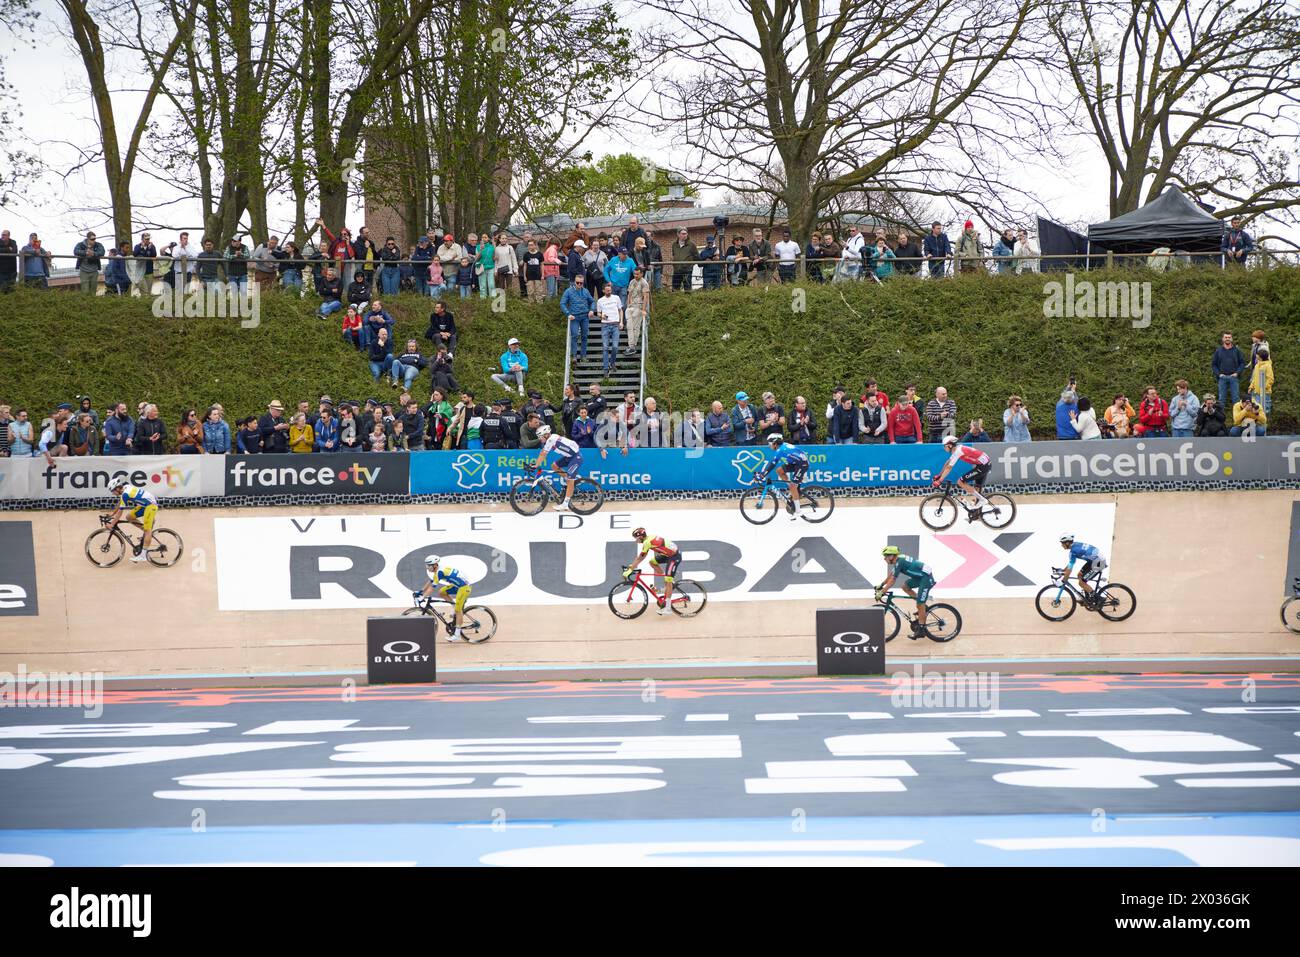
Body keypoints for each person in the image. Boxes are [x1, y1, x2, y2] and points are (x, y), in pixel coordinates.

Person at [413, 555, 480, 643]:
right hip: (458, 585)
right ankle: (454, 607)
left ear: (435, 565)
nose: (427, 568)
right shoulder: (438, 570)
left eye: (429, 566)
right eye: (427, 565)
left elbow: (432, 588)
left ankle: (457, 635)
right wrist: (421, 591)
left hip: (464, 587)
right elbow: (431, 581)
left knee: (458, 610)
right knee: (442, 592)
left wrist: (422, 597)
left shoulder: (439, 572)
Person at [877, 546, 937, 639]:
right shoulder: (899, 560)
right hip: (920, 577)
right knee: (905, 587)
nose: (884, 559)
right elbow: (891, 575)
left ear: (892, 556)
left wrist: (882, 592)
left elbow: (892, 580)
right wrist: (881, 585)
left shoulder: (900, 561)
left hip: (926, 579)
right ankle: (923, 608)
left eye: (885, 556)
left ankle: (921, 630)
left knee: (919, 603)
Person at [625, 527, 682, 616]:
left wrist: (631, 568)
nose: (636, 540)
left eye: (636, 538)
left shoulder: (647, 542)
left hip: (674, 557)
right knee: (652, 562)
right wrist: (632, 566)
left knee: (668, 580)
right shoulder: (649, 538)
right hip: (668, 554)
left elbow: (641, 557)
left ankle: (668, 608)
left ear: (640, 537)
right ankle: (668, 579)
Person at [530, 423, 584, 512]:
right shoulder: (552, 437)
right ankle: (568, 479)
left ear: (546, 435)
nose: (539, 439)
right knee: (554, 466)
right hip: (570, 456)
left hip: (576, 457)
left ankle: (565, 504)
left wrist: (536, 465)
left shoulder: (551, 439)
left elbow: (543, 454)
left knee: (570, 480)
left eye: (541, 436)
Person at [756, 433, 810, 519]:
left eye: (769, 444)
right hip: (796, 463)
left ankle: (798, 511)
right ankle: (792, 488)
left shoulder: (780, 450)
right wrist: (763, 474)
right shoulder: (782, 447)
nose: (769, 446)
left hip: (802, 464)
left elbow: (772, 464)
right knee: (779, 470)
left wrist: (762, 475)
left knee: (793, 486)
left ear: (775, 443)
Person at [106, 476, 160, 563]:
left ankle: (143, 556)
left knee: (147, 530)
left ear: (117, 488)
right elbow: (120, 503)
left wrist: (112, 524)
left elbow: (120, 512)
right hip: (145, 505)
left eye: (113, 491)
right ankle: (146, 535)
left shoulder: (125, 494)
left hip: (150, 506)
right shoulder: (126, 488)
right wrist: (112, 513)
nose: (113, 493)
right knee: (129, 517)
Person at [931, 434, 992, 508]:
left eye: (945, 446)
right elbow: (947, 463)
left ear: (950, 445)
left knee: (960, 482)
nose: (944, 448)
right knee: (977, 488)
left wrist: (940, 481)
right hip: (984, 464)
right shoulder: (956, 449)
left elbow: (949, 468)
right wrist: (939, 475)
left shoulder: (958, 451)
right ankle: (977, 514)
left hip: (984, 465)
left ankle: (982, 500)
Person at [1058, 533, 1107, 604]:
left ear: (1067, 542)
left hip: (1099, 562)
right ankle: (1086, 599)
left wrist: (1064, 579)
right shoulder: (1074, 546)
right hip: (1094, 560)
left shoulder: (1073, 551)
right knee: (1079, 575)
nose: (1061, 545)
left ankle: (1099, 599)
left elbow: (1070, 568)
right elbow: (1070, 564)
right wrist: (1063, 570)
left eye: (1062, 543)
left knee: (1081, 583)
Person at [1212, 332, 1246, 409]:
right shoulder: (1218, 351)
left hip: (1233, 378)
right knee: (1221, 399)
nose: (1227, 339)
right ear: (1223, 339)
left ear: (1232, 339)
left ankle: (1237, 418)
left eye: (1229, 337)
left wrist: (1237, 373)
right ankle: (1220, 419)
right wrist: (1219, 374)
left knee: (1236, 399)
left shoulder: (1237, 350)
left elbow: (1242, 363)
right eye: (1226, 337)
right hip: (1222, 378)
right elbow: (1214, 365)